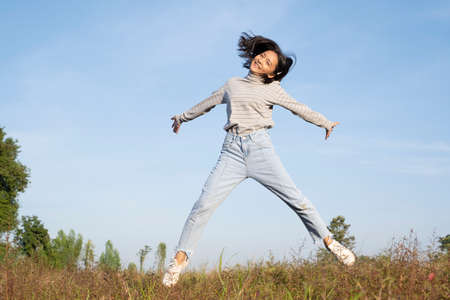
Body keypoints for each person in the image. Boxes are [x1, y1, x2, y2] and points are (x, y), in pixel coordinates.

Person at [162, 32, 356, 287]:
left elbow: (299, 108)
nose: (260, 61)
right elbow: (207, 103)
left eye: (267, 62)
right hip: (231, 152)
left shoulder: (273, 89)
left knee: (296, 199)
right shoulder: (232, 84)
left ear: (272, 73)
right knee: (203, 205)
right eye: (261, 56)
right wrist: (182, 117)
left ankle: (330, 242)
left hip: (261, 150)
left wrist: (325, 123)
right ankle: (179, 261)